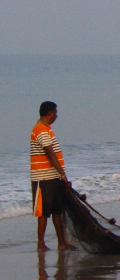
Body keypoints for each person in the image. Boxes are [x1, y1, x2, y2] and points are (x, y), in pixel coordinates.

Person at [31, 101, 72, 251]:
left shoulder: (47, 129)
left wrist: (60, 175)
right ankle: (40, 244)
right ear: (49, 114)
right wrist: (63, 174)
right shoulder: (40, 130)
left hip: (52, 177)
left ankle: (62, 243)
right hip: (43, 178)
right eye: (55, 113)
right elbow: (50, 152)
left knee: (57, 211)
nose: (57, 116)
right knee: (43, 212)